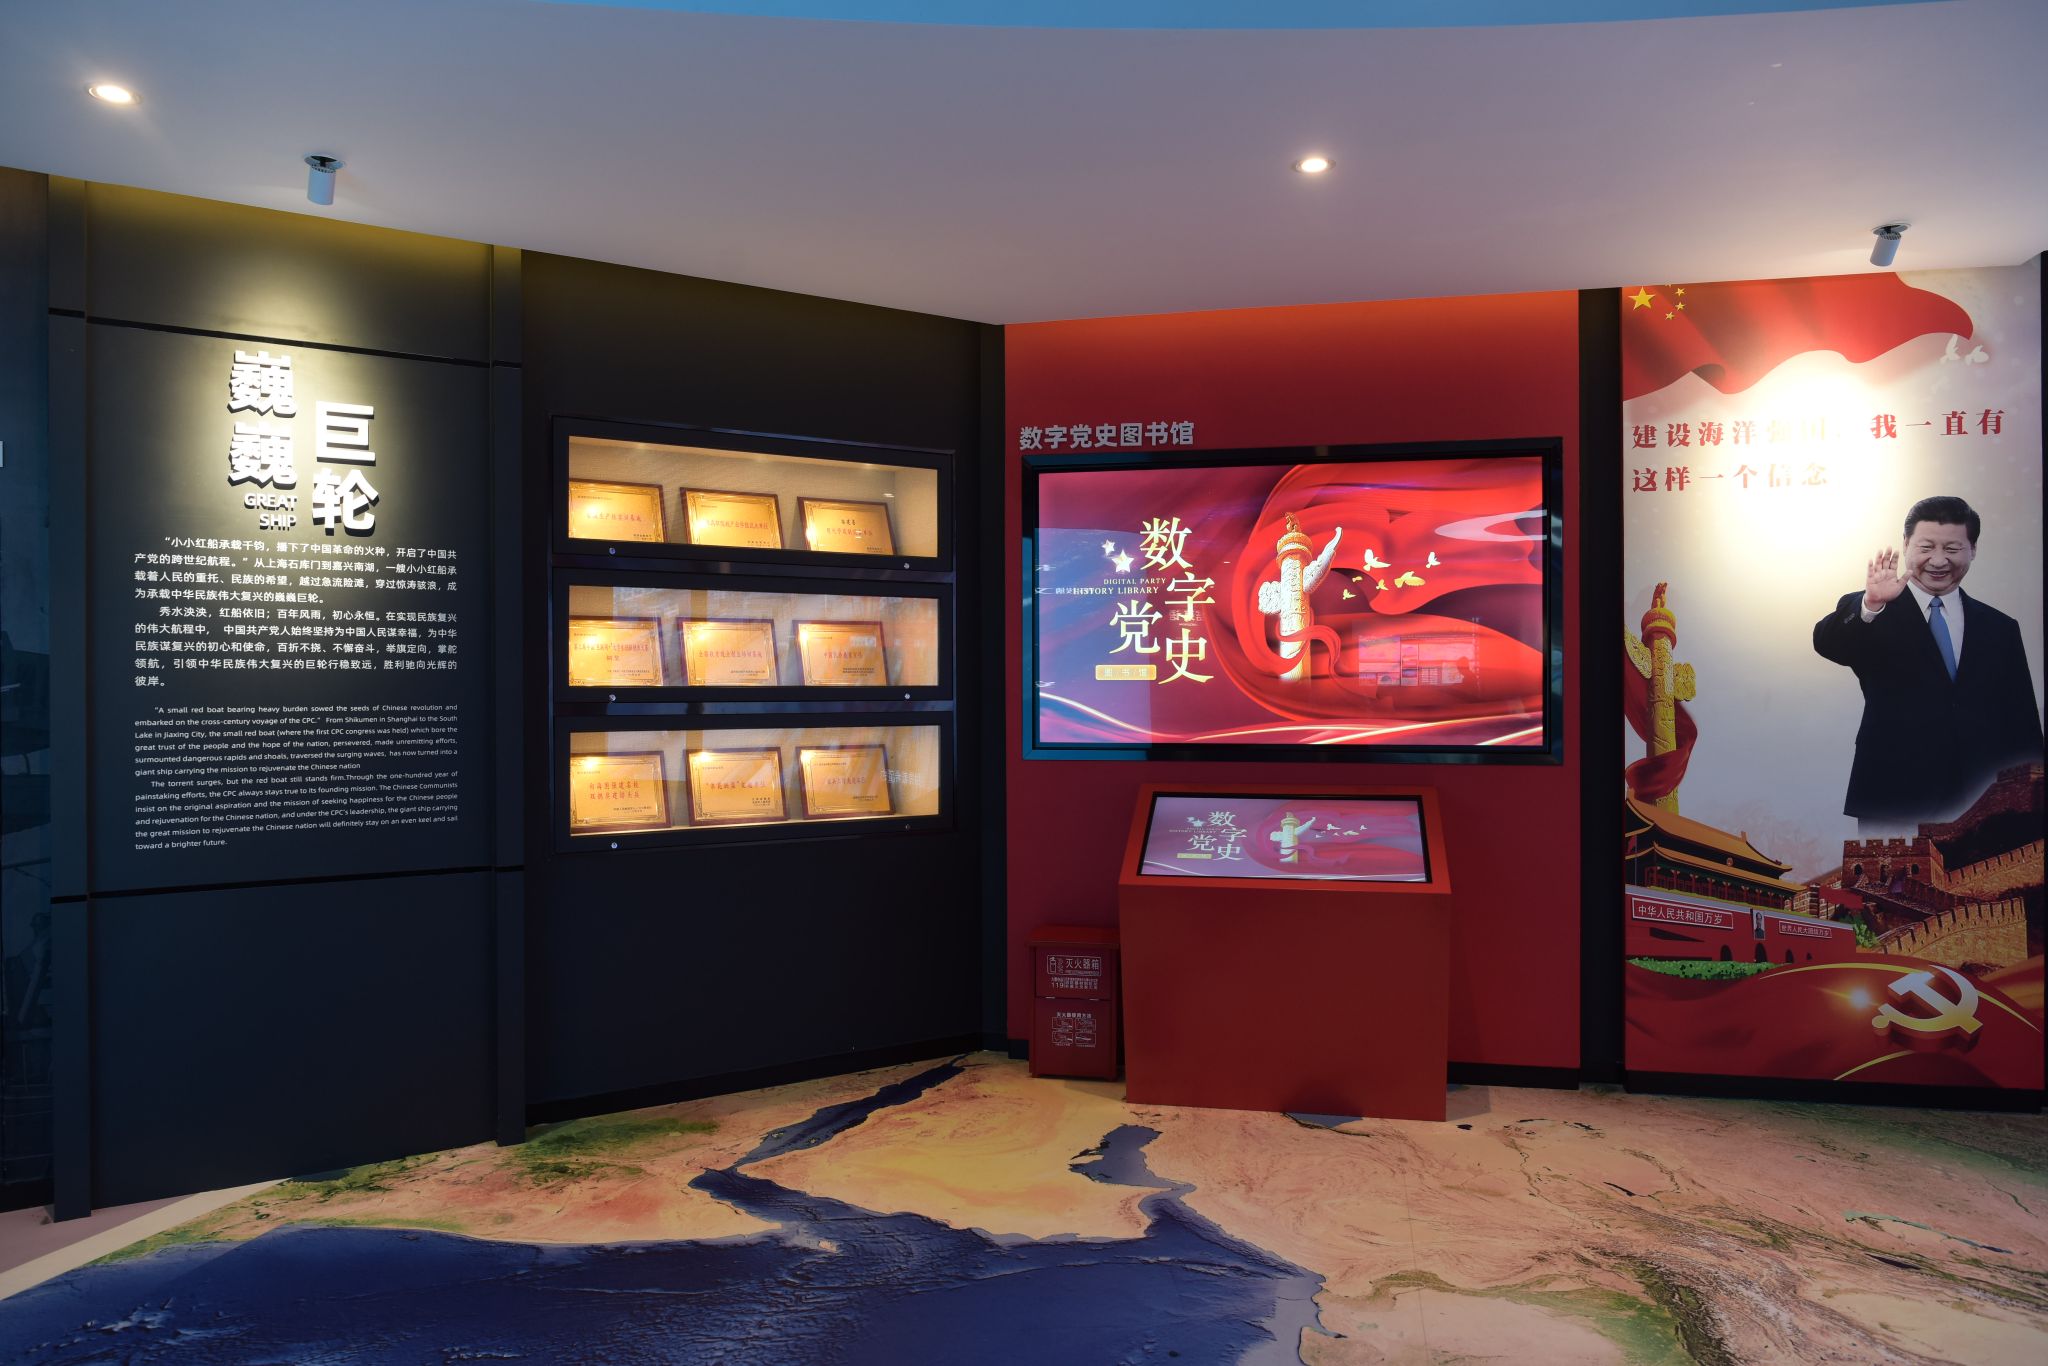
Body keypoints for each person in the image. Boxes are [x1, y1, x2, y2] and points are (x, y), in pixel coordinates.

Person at [1812, 495, 2043, 834]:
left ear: (1972, 549)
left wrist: (2034, 799)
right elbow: (1828, 643)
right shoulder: (1872, 609)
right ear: (1906, 544)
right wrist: (1871, 603)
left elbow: (2022, 721)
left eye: (1952, 549)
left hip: (1986, 803)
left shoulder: (2000, 627)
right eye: (1926, 547)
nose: (1938, 561)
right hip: (1894, 796)